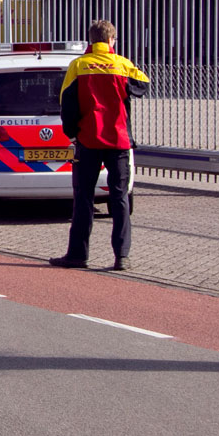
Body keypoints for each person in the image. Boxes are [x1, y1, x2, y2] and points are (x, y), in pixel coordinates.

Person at [50, 20, 150, 271]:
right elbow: (144, 84)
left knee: (83, 198)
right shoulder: (122, 64)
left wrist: (72, 134)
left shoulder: (78, 66)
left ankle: (78, 255)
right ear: (112, 40)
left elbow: (67, 103)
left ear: (90, 41)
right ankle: (122, 256)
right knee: (119, 198)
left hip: (88, 140)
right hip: (118, 141)